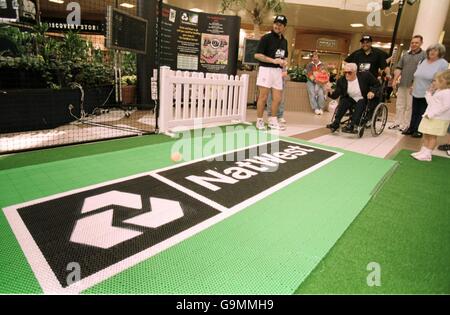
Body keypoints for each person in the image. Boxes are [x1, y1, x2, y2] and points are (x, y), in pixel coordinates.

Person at [402, 43, 449, 138]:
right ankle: (411, 128)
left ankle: (419, 130)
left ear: (440, 52)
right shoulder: (423, 60)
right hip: (417, 89)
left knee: (423, 111)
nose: (432, 52)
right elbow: (417, 75)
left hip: (429, 92)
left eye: (435, 50)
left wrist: (433, 89)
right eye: (431, 50)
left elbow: (441, 79)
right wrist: (412, 86)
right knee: (414, 110)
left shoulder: (442, 63)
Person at [254, 15, 289, 131]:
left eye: (280, 25)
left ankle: (273, 120)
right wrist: (273, 60)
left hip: (278, 72)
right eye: (276, 24)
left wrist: (284, 65)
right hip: (266, 70)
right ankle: (259, 120)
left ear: (284, 27)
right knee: (263, 97)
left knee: (277, 98)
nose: (277, 26)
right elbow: (257, 55)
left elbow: (285, 57)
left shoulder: (284, 41)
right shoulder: (266, 38)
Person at [325, 63, 381, 133]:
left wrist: (372, 92)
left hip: (364, 98)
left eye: (349, 72)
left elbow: (377, 84)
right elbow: (335, 95)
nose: (347, 74)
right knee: (344, 100)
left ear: (355, 72)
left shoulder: (366, 76)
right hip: (351, 98)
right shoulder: (342, 80)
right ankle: (336, 123)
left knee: (361, 102)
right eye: (345, 72)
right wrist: (330, 91)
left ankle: (352, 125)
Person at [411, 70, 450, 161]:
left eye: (435, 81)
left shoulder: (447, 92)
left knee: (432, 137)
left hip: (438, 118)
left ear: (444, 82)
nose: (433, 83)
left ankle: (428, 154)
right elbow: (431, 103)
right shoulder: (440, 91)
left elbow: (446, 106)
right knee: (427, 134)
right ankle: (423, 151)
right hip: (430, 116)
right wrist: (428, 94)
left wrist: (433, 114)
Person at [390, 35, 426, 131]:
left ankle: (406, 124)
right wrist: (394, 80)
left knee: (409, 106)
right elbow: (399, 68)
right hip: (402, 84)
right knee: (400, 104)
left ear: (421, 43)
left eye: (416, 43)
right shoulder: (405, 54)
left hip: (414, 86)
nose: (414, 44)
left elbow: (423, 72)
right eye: (412, 42)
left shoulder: (424, 55)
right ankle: (397, 122)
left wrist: (414, 84)